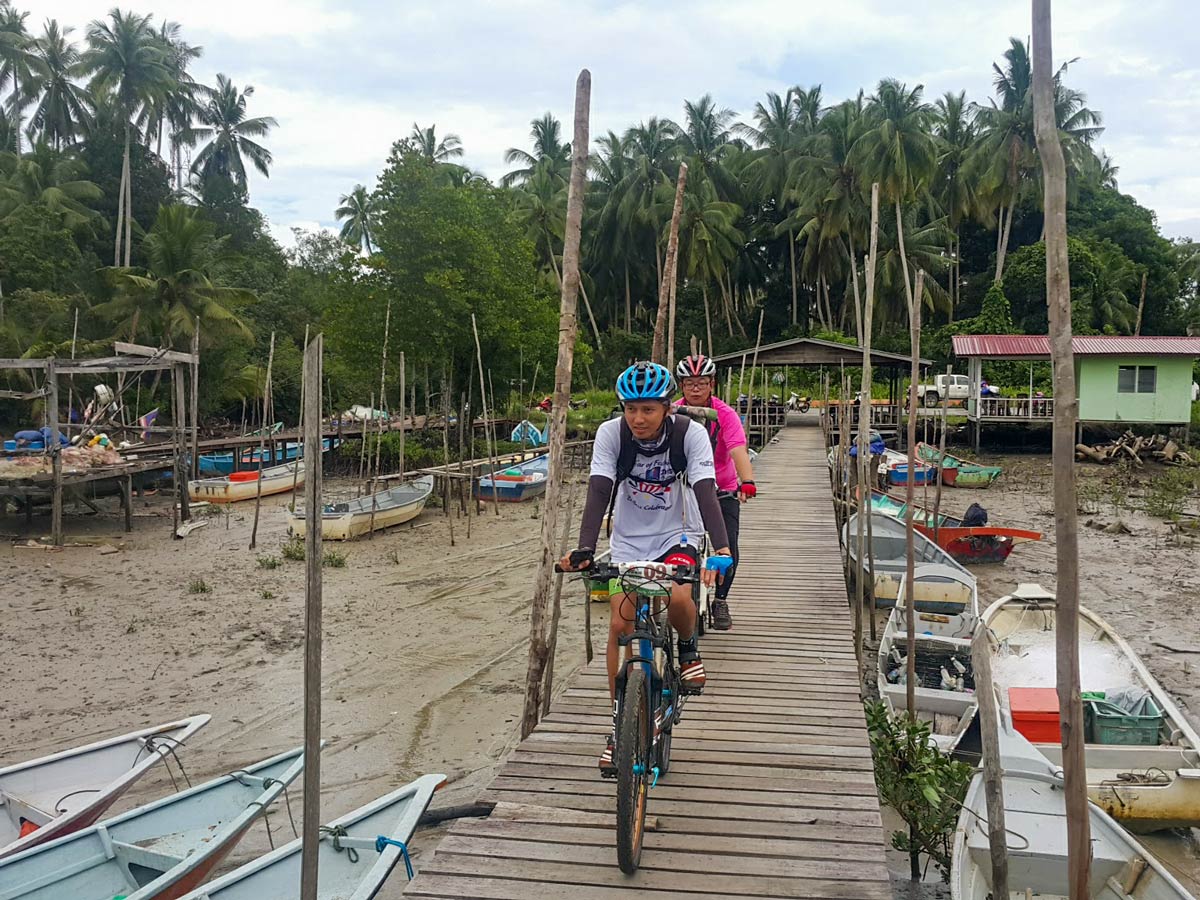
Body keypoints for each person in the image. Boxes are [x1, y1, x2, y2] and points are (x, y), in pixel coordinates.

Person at [560, 361, 732, 775]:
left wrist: (722, 547)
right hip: (629, 539)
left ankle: (688, 648)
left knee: (677, 596)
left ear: (667, 408)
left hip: (679, 533)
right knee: (619, 626)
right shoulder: (611, 434)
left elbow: (706, 489)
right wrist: (586, 547)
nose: (638, 419)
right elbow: (600, 487)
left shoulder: (690, 435)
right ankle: (619, 725)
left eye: (649, 409)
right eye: (630, 409)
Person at [675, 354, 755, 631]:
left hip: (721, 486)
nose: (695, 388)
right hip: (682, 488)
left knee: (728, 549)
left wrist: (747, 481)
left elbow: (737, 448)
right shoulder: (671, 412)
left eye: (702, 383)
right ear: (681, 386)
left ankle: (720, 600)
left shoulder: (725, 414)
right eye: (689, 383)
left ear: (712, 385)